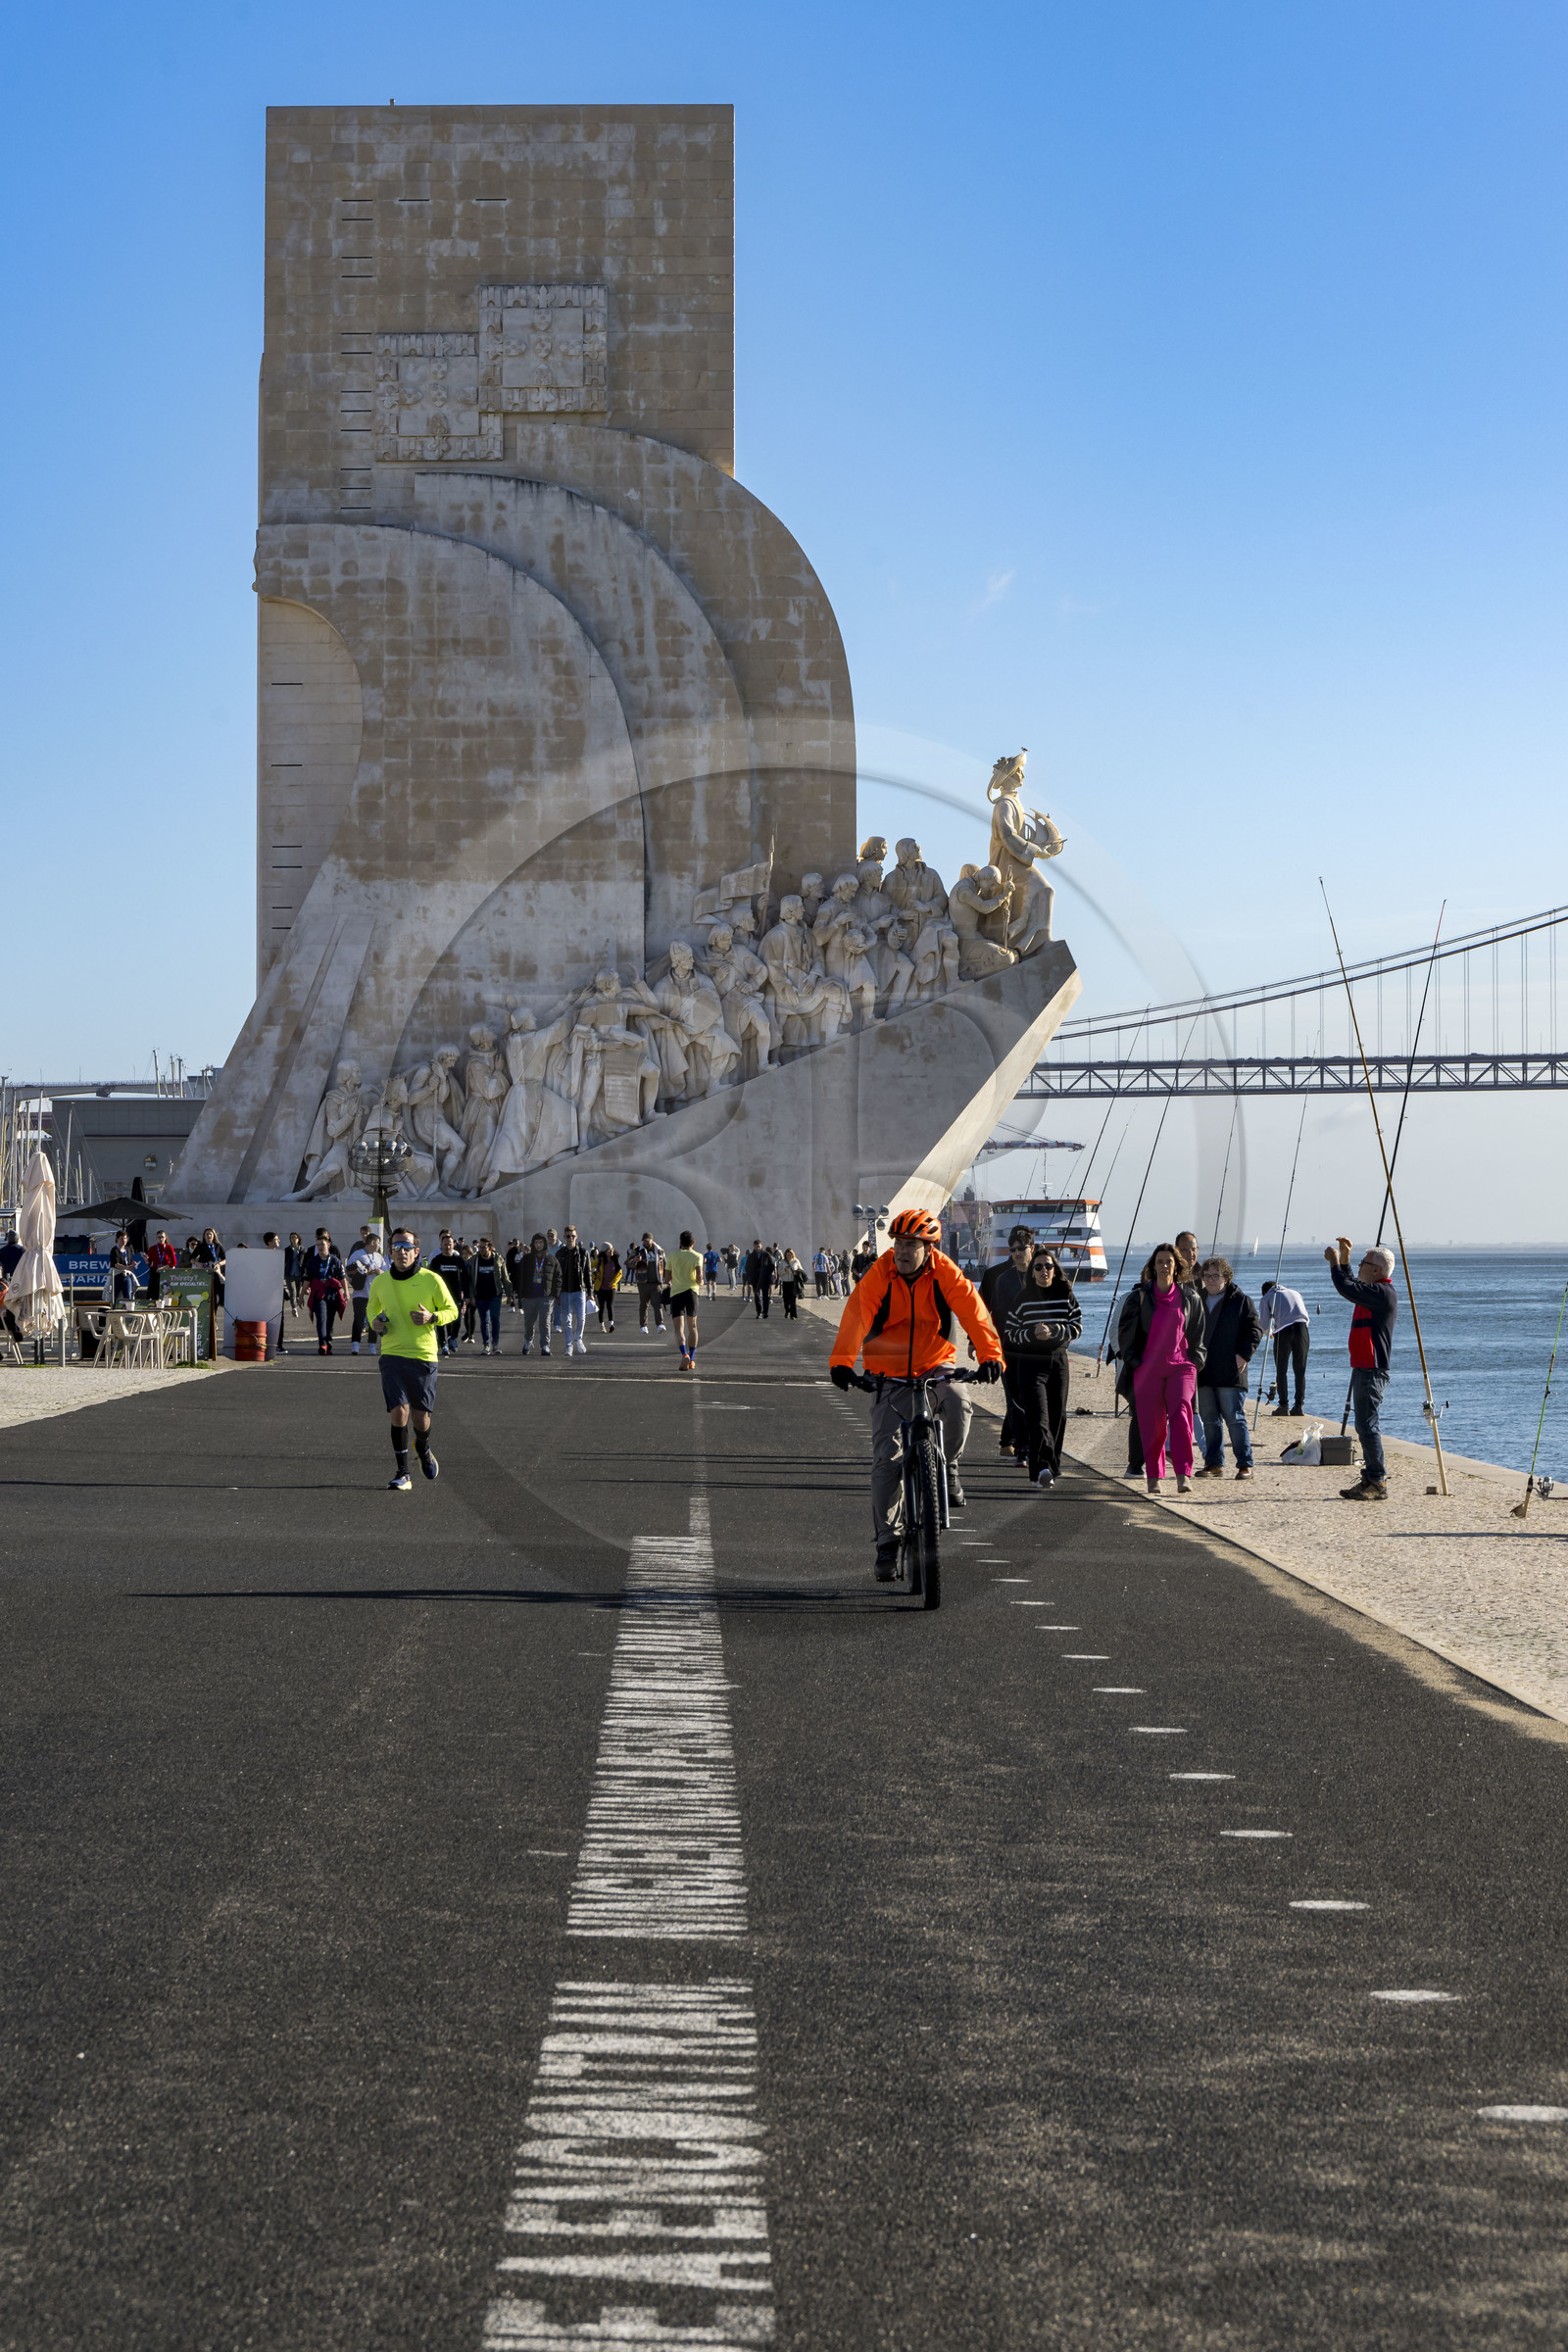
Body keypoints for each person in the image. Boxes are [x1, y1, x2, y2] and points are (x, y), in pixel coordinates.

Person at [829, 1207, 1004, 1577]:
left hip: (935, 1363)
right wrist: (842, 1362)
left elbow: (974, 1312)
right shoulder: (880, 1274)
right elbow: (857, 1315)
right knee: (887, 1460)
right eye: (898, 1244)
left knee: (959, 1402)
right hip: (887, 1371)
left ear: (929, 1248)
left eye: (911, 1245)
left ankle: (948, 1464)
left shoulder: (945, 1272)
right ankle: (887, 1543)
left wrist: (991, 1355)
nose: (902, 1252)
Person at [367, 1227, 458, 1490]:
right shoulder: (381, 1282)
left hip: (423, 1356)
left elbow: (452, 1310)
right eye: (396, 1247)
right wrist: (375, 1323)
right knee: (399, 1412)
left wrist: (432, 1317)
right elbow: (372, 1309)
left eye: (407, 1247)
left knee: (420, 1419)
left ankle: (423, 1446)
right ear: (390, 1251)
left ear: (416, 1251)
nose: (402, 1252)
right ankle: (403, 1473)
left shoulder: (431, 1280)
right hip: (392, 1354)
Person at [1123, 1242, 1206, 1495]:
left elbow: (1198, 1336)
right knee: (1153, 1424)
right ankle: (1154, 1476)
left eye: (1169, 1262)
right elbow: (1126, 1335)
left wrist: (1195, 1361)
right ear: (1153, 1266)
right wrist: (1135, 1362)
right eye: (1159, 1262)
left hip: (1181, 1366)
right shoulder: (1139, 1297)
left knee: (1181, 1414)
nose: (1164, 1266)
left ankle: (1183, 1474)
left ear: (1176, 1266)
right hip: (1148, 1368)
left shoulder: (1190, 1297)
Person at [1002, 1247, 1082, 1489]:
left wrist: (1054, 1331)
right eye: (1038, 1266)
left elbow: (1077, 1327)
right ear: (1033, 1271)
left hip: (1058, 1362)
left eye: (1048, 1266)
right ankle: (1041, 1469)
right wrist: (1032, 1334)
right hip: (1030, 1363)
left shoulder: (1066, 1295)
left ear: (1054, 1269)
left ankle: (1052, 1467)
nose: (1043, 1270)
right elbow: (1010, 1332)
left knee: (1058, 1417)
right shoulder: (1022, 1298)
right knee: (1037, 1418)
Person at [1325, 1237, 1397, 1501]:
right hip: (1363, 1366)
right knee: (1364, 1425)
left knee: (1367, 1426)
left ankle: (1377, 1480)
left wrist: (1335, 1264)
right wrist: (1344, 1259)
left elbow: (1346, 1288)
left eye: (1362, 1263)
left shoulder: (1382, 1293)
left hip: (1372, 1368)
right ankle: (1370, 1478)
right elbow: (1352, 1285)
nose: (1359, 1267)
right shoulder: (1372, 1290)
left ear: (1376, 1270)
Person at [1194, 1258, 1262, 1480]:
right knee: (1209, 1420)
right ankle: (1214, 1463)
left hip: (1231, 1371)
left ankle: (1245, 1464)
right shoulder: (1198, 1299)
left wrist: (1244, 1354)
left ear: (1226, 1277)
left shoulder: (1241, 1301)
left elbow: (1255, 1330)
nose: (1211, 1280)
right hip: (1204, 1371)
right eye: (1207, 1276)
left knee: (1234, 1419)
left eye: (1216, 1276)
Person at [981, 1226, 1036, 1466]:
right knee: (1015, 1398)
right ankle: (1021, 1448)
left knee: (1032, 1399)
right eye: (1013, 1249)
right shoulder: (1000, 1278)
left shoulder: (1043, 1273)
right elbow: (989, 1313)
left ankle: (1025, 1445)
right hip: (1009, 1348)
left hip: (1037, 1350)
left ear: (1031, 1247)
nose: (1017, 1253)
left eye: (1021, 1248)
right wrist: (983, 1343)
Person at [1259, 1277, 1311, 1417]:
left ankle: (1283, 1406)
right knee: (1300, 1370)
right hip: (1303, 1328)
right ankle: (1299, 1406)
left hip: (1284, 1331)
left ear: (1264, 1292)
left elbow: (1264, 1325)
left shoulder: (1267, 1297)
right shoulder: (1295, 1293)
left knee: (1281, 1370)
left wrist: (1270, 1333)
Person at [513, 1233, 562, 1355]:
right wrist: (521, 1297)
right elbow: (519, 1279)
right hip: (529, 1297)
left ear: (544, 1244)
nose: (538, 1245)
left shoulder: (551, 1259)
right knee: (529, 1323)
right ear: (533, 1244)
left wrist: (554, 1295)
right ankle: (528, 1340)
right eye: (536, 1243)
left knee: (545, 1322)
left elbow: (558, 1278)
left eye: (540, 1242)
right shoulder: (526, 1259)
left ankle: (545, 1346)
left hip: (546, 1297)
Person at [302, 1227, 347, 1353]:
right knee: (321, 1317)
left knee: (330, 1319)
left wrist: (346, 1292)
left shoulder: (335, 1260)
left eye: (322, 1244)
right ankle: (322, 1343)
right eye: (318, 1245)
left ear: (328, 1245)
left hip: (332, 1293)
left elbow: (342, 1277)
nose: (320, 1247)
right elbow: (307, 1279)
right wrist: (301, 1295)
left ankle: (328, 1341)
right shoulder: (312, 1261)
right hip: (318, 1293)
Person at [347, 1225, 387, 1354]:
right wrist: (362, 1271)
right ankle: (355, 1344)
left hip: (375, 1294)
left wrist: (380, 1271)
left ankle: (372, 1345)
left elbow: (386, 1272)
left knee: (373, 1320)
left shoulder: (379, 1257)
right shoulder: (358, 1254)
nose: (379, 1246)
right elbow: (349, 1270)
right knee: (358, 1319)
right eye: (378, 1243)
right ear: (372, 1242)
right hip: (360, 1293)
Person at [667, 1229, 704, 1371]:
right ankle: (692, 1359)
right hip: (692, 1292)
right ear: (693, 1242)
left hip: (676, 1293)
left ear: (680, 1242)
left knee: (679, 1329)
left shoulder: (672, 1255)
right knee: (693, 1327)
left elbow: (667, 1278)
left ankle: (684, 1354)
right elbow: (699, 1276)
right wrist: (700, 1282)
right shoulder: (697, 1256)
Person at [556, 1225, 593, 1357]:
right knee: (566, 1320)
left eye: (572, 1236)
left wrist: (590, 1293)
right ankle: (568, 1345)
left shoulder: (583, 1253)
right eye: (568, 1236)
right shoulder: (560, 1253)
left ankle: (578, 1338)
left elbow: (587, 1273)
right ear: (564, 1237)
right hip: (564, 1291)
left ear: (576, 1236)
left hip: (579, 1290)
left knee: (581, 1317)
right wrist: (556, 1293)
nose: (570, 1238)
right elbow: (556, 1275)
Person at [427, 1229, 466, 1357]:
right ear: (441, 1245)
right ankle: (443, 1343)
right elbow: (430, 1278)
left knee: (457, 1319)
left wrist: (466, 1295)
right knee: (440, 1320)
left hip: (455, 1295)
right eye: (445, 1244)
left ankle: (453, 1338)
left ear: (453, 1245)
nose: (448, 1246)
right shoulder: (436, 1260)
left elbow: (466, 1278)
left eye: (450, 1244)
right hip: (439, 1295)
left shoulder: (458, 1260)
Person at [471, 1237, 505, 1353]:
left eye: (483, 1247)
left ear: (490, 1248)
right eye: (479, 1247)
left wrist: (510, 1294)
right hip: (480, 1296)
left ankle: (495, 1345)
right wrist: (471, 1296)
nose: (480, 1249)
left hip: (495, 1295)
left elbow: (505, 1277)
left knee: (495, 1320)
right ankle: (486, 1345)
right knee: (484, 1321)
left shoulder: (497, 1259)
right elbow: (470, 1279)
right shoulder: (475, 1260)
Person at [629, 1233, 667, 1334]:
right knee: (643, 1304)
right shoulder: (638, 1250)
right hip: (643, 1283)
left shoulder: (659, 1250)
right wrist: (634, 1260)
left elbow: (665, 1265)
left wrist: (668, 1280)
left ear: (652, 1240)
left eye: (647, 1241)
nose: (645, 1243)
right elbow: (628, 1263)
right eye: (644, 1241)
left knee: (657, 1303)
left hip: (656, 1282)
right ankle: (643, 1326)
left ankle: (660, 1324)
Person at [592, 1242, 621, 1331]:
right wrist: (595, 1278)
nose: (611, 1251)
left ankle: (611, 1325)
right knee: (601, 1307)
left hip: (611, 1288)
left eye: (612, 1249)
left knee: (610, 1306)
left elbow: (619, 1273)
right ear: (604, 1251)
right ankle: (602, 1325)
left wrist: (614, 1282)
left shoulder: (615, 1261)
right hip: (601, 1288)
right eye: (609, 1250)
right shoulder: (599, 1261)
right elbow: (589, 1268)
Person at [144, 1229, 177, 1304]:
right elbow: (149, 1263)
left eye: (162, 1237)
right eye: (159, 1237)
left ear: (165, 1238)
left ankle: (166, 1304)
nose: (160, 1239)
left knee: (166, 1291)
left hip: (165, 1271)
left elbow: (174, 1262)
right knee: (153, 1291)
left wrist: (163, 1268)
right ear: (156, 1238)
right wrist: (146, 1260)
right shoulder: (152, 1248)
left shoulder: (169, 1247)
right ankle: (152, 1304)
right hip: (155, 1271)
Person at [108, 1230, 136, 1307]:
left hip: (126, 1275)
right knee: (115, 1295)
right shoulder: (114, 1250)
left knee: (128, 1293)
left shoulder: (128, 1249)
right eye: (121, 1239)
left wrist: (132, 1264)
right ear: (117, 1239)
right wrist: (127, 1267)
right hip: (117, 1275)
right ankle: (113, 1308)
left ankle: (128, 1309)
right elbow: (116, 1264)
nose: (124, 1240)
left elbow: (129, 1262)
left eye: (125, 1238)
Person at [749, 1239, 774, 1320]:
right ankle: (759, 1312)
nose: (758, 1248)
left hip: (765, 1278)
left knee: (765, 1296)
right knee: (757, 1296)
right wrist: (751, 1275)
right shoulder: (751, 1256)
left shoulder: (766, 1254)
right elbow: (747, 1266)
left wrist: (768, 1273)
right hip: (755, 1279)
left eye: (759, 1247)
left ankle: (765, 1312)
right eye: (756, 1247)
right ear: (753, 1246)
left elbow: (772, 1265)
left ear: (761, 1246)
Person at [779, 1249, 804, 1318]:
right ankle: (787, 1310)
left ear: (792, 1255)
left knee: (793, 1299)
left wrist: (797, 1272)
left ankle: (793, 1315)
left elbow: (801, 1270)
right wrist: (784, 1270)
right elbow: (779, 1272)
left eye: (790, 1255)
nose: (788, 1257)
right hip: (785, 1282)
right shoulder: (782, 1262)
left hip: (793, 1283)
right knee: (786, 1300)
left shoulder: (796, 1261)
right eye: (787, 1255)